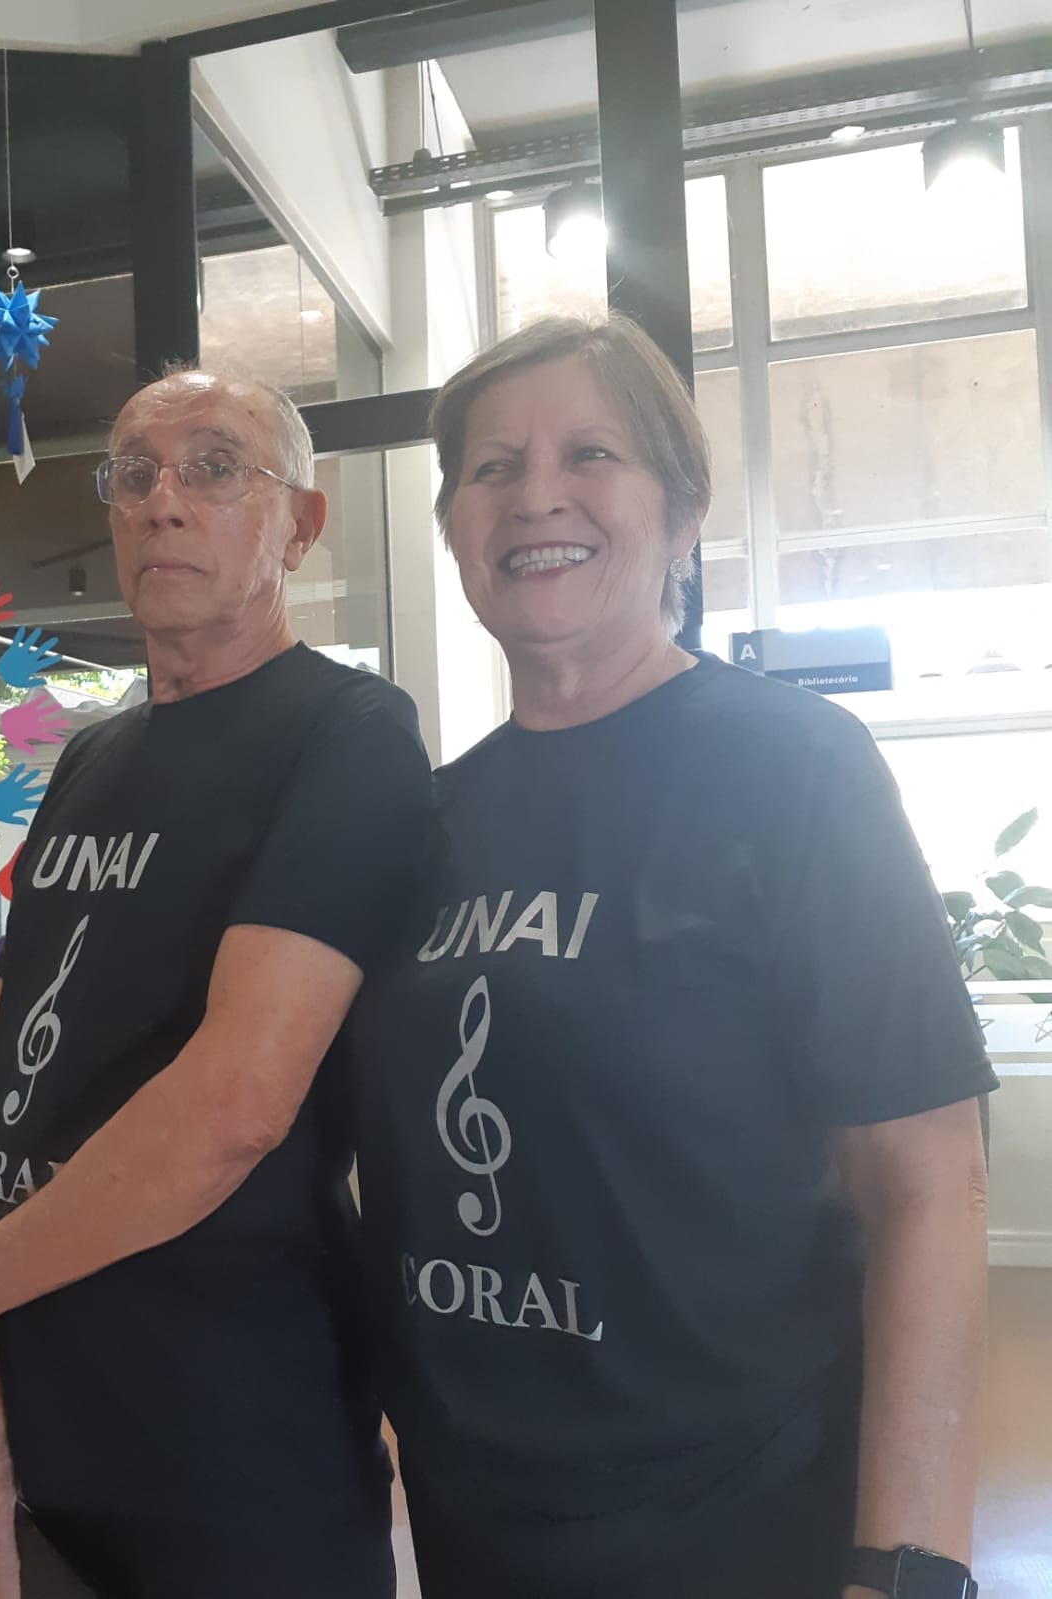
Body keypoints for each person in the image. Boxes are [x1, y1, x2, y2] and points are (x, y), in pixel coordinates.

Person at [351, 313, 995, 1599]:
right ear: (455, 529)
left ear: (685, 512)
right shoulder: (422, 820)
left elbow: (928, 1181)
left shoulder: (794, 769)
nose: (536, 496)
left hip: (735, 1515)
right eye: (491, 467)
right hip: (476, 1515)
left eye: (590, 453)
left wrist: (907, 1568)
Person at [0, 367, 433, 1599]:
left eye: (215, 468)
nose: (162, 502)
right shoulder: (92, 758)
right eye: (134, 474)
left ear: (300, 524)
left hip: (227, 1431)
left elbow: (234, 1110)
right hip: (33, 1407)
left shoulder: (349, 737)